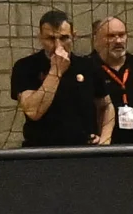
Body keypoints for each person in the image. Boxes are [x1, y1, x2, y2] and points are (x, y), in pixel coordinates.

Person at [71, 15, 133, 148]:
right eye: (111, 36)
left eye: (121, 35)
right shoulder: (86, 68)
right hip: (101, 149)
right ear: (96, 39)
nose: (118, 41)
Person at [10, 9, 96, 148]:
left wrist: (104, 137)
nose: (58, 46)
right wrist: (56, 70)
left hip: (82, 150)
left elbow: (105, 105)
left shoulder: (87, 65)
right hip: (41, 151)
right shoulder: (25, 66)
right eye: (50, 39)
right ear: (40, 38)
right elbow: (33, 111)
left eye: (64, 38)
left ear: (74, 36)